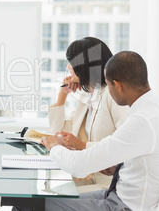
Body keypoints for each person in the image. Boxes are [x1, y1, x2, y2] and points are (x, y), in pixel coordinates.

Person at [15, 51, 159, 211]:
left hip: (120, 206)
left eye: (109, 85)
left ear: (118, 85)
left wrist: (55, 147)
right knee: (31, 201)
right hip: (113, 195)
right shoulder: (154, 109)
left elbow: (78, 166)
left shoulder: (141, 122)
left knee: (29, 205)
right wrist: (116, 166)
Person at [48, 37, 129, 191]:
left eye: (72, 63)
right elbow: (58, 133)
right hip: (88, 178)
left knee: (43, 200)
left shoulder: (112, 96)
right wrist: (62, 95)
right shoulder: (89, 96)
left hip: (107, 184)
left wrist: (82, 146)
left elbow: (124, 146)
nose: (68, 67)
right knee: (40, 194)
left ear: (84, 65)